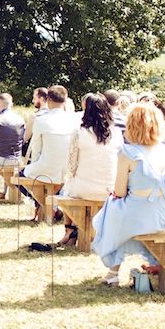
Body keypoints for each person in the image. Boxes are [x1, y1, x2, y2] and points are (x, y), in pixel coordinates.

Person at [91, 102, 165, 285]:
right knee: (121, 217)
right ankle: (127, 268)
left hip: (137, 214)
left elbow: (120, 191)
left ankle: (114, 270)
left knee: (112, 212)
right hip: (162, 215)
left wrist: (114, 195)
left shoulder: (127, 152)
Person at [56, 94, 122, 247]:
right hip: (109, 188)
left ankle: (70, 230)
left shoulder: (79, 132)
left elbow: (71, 165)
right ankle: (75, 231)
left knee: (68, 187)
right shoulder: (116, 133)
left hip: (84, 188)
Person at [20, 85, 78, 221]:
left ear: (48, 100)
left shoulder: (40, 120)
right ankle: (52, 208)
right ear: (65, 100)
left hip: (48, 167)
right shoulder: (74, 120)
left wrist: (34, 166)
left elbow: (36, 149)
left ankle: (48, 207)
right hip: (69, 168)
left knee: (22, 175)